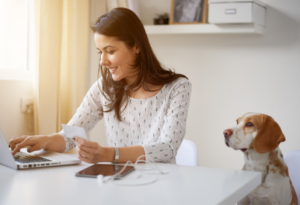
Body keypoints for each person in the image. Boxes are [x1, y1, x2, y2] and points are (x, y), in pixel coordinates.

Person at [9, 8, 192, 164]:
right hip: (117, 183)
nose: (103, 61)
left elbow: (166, 148)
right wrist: (44, 140)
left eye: (110, 51)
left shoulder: (177, 87)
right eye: (100, 52)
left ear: (136, 46)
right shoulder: (105, 88)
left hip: (161, 186)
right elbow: (72, 135)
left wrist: (108, 154)